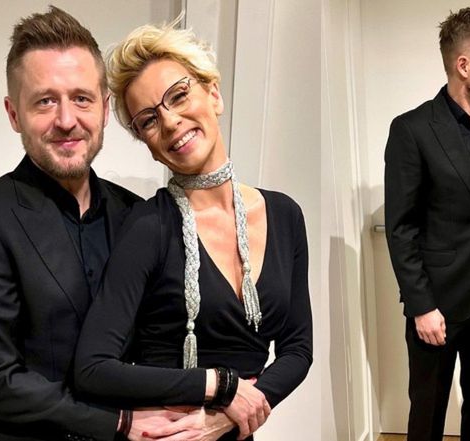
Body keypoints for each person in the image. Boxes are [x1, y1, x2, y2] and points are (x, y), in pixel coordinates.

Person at [0, 6, 184, 441]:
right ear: (14, 114)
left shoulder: (139, 214)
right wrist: (118, 423)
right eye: (45, 101)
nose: (67, 120)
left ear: (105, 109)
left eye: (81, 98)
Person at [72, 18, 313, 441]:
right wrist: (222, 386)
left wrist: (230, 416)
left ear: (213, 93)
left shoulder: (285, 215)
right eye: (149, 120)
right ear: (148, 144)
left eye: (179, 95)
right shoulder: (147, 226)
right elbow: (93, 367)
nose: (169, 122)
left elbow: (298, 349)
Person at [384, 7, 470, 441]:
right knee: (427, 414)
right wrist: (421, 306)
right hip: (436, 304)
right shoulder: (412, 130)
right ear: (464, 66)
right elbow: (401, 227)